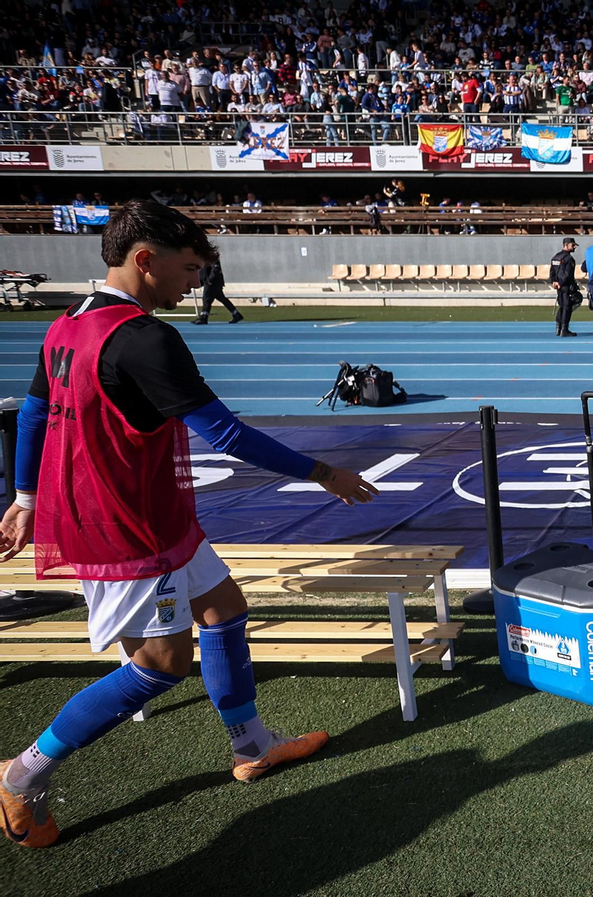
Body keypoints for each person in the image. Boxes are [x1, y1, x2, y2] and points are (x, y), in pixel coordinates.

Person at [0, 201, 378, 849]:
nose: (195, 282)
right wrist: (324, 472)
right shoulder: (145, 337)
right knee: (161, 664)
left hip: (149, 512)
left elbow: (35, 412)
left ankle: (252, 745)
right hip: (127, 526)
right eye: (189, 269)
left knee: (225, 608)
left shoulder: (69, 321)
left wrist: (26, 496)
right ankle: (22, 773)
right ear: (146, 260)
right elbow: (226, 433)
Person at [193, 258, 242, 325]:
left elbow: (215, 269)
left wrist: (210, 280)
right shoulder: (204, 257)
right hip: (211, 282)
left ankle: (203, 318)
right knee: (221, 298)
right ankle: (236, 314)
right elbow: (204, 270)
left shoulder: (211, 257)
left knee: (206, 299)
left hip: (212, 283)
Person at [550, 236, 580, 337]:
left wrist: (554, 282)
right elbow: (567, 275)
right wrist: (560, 283)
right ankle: (564, 329)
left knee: (562, 306)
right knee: (567, 307)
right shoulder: (569, 259)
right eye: (573, 245)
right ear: (566, 245)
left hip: (559, 287)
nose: (574, 247)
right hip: (566, 286)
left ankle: (558, 328)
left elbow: (552, 272)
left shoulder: (555, 257)